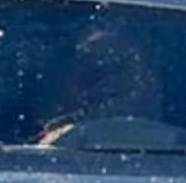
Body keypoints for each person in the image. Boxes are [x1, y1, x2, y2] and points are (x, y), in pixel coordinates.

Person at [36, 22, 168, 146]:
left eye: (118, 67)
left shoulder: (180, 146)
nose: (108, 82)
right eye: (94, 71)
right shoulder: (39, 152)